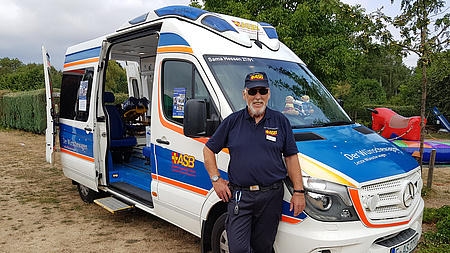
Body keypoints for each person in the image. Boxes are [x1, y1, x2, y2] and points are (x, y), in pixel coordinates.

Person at [203, 72, 305, 253]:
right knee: (238, 248)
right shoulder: (232, 122)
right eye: (252, 92)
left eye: (262, 91)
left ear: (268, 94)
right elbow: (209, 150)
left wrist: (299, 191)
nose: (257, 96)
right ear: (244, 94)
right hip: (241, 197)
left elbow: (291, 157)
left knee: (263, 248)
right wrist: (216, 179)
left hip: (271, 197)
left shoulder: (280, 121)